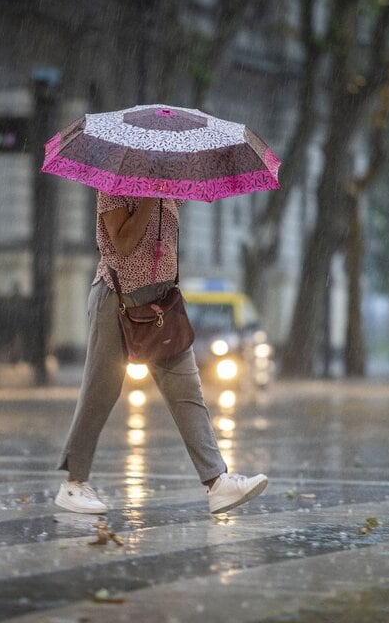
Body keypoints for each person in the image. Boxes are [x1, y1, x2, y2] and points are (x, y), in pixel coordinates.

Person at [55, 191, 268, 515]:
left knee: (188, 392)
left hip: (160, 305)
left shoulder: (168, 184)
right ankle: (73, 484)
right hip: (116, 300)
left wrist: (165, 192)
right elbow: (123, 244)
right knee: (101, 391)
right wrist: (148, 199)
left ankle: (217, 483)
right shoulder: (114, 184)